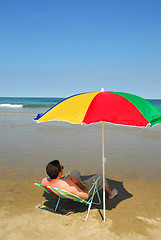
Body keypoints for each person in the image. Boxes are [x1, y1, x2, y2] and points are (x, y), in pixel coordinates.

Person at [41, 160, 118, 200]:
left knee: (76, 173)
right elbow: (86, 196)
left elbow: (57, 182)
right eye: (62, 167)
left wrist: (65, 179)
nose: (62, 168)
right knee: (101, 176)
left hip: (61, 185)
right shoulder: (70, 187)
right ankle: (111, 194)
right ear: (59, 173)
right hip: (82, 189)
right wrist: (77, 183)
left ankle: (79, 181)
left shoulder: (44, 181)